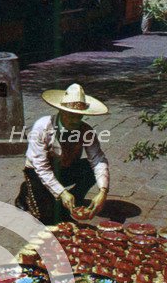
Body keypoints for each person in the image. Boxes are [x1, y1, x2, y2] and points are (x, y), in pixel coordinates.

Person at [15, 83, 110, 225]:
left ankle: (72, 203)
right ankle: (26, 192)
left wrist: (103, 191)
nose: (74, 120)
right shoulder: (42, 126)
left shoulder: (86, 131)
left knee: (89, 168)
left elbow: (98, 159)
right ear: (61, 111)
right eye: (70, 115)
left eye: (79, 116)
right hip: (38, 172)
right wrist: (62, 192)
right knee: (48, 219)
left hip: (64, 168)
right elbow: (41, 167)